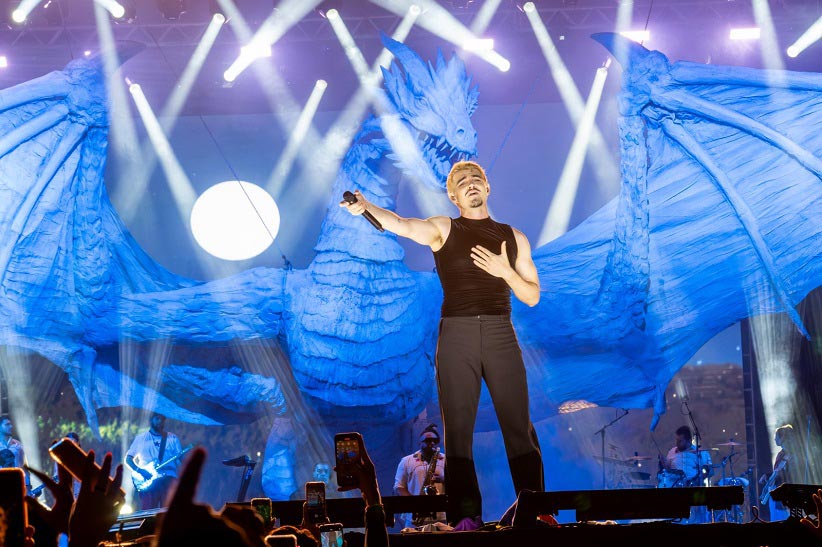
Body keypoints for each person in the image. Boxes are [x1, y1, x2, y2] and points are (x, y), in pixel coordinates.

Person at [340, 161, 544, 528]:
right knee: (459, 430)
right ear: (452, 195)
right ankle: (467, 518)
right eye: (461, 182)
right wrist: (366, 207)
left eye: (476, 179)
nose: (470, 185)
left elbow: (531, 295)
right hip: (457, 334)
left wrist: (506, 272)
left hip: (500, 331)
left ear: (487, 187)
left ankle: (536, 511)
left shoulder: (514, 237)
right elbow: (400, 224)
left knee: (518, 425)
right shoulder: (443, 228)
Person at [126, 412, 184, 510]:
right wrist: (140, 471)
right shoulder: (141, 439)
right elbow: (128, 459)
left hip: (168, 479)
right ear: (151, 420)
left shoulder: (173, 438)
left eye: (162, 419)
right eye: (157, 418)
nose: (160, 421)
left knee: (168, 512)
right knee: (148, 511)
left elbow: (179, 462)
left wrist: (181, 459)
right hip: (148, 480)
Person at [393, 424, 446, 529]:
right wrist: (414, 505)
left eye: (434, 441)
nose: (431, 443)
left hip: (441, 515)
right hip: (415, 516)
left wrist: (444, 479)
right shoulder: (406, 461)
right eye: (427, 440)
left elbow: (457, 483)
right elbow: (399, 487)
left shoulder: (445, 460)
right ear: (420, 442)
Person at [659, 425, 713, 524]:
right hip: (675, 489)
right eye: (676, 440)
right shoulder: (672, 452)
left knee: (698, 518)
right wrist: (663, 463)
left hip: (694, 488)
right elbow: (667, 470)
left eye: (680, 441)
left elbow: (710, 471)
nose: (677, 443)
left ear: (689, 440)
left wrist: (700, 477)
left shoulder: (700, 453)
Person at [760, 423, 804, 521]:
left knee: (781, 519)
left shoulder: (790, 454)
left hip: (784, 494)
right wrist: (767, 476)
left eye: (776, 437)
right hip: (777, 491)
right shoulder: (782, 453)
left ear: (782, 438)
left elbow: (787, 475)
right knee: (776, 518)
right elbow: (778, 472)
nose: (774, 439)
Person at [0, 414, 31, 493]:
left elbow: (24, 467)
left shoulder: (18, 445)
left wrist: (27, 486)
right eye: (7, 424)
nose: (11, 426)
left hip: (17, 484)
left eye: (11, 424)